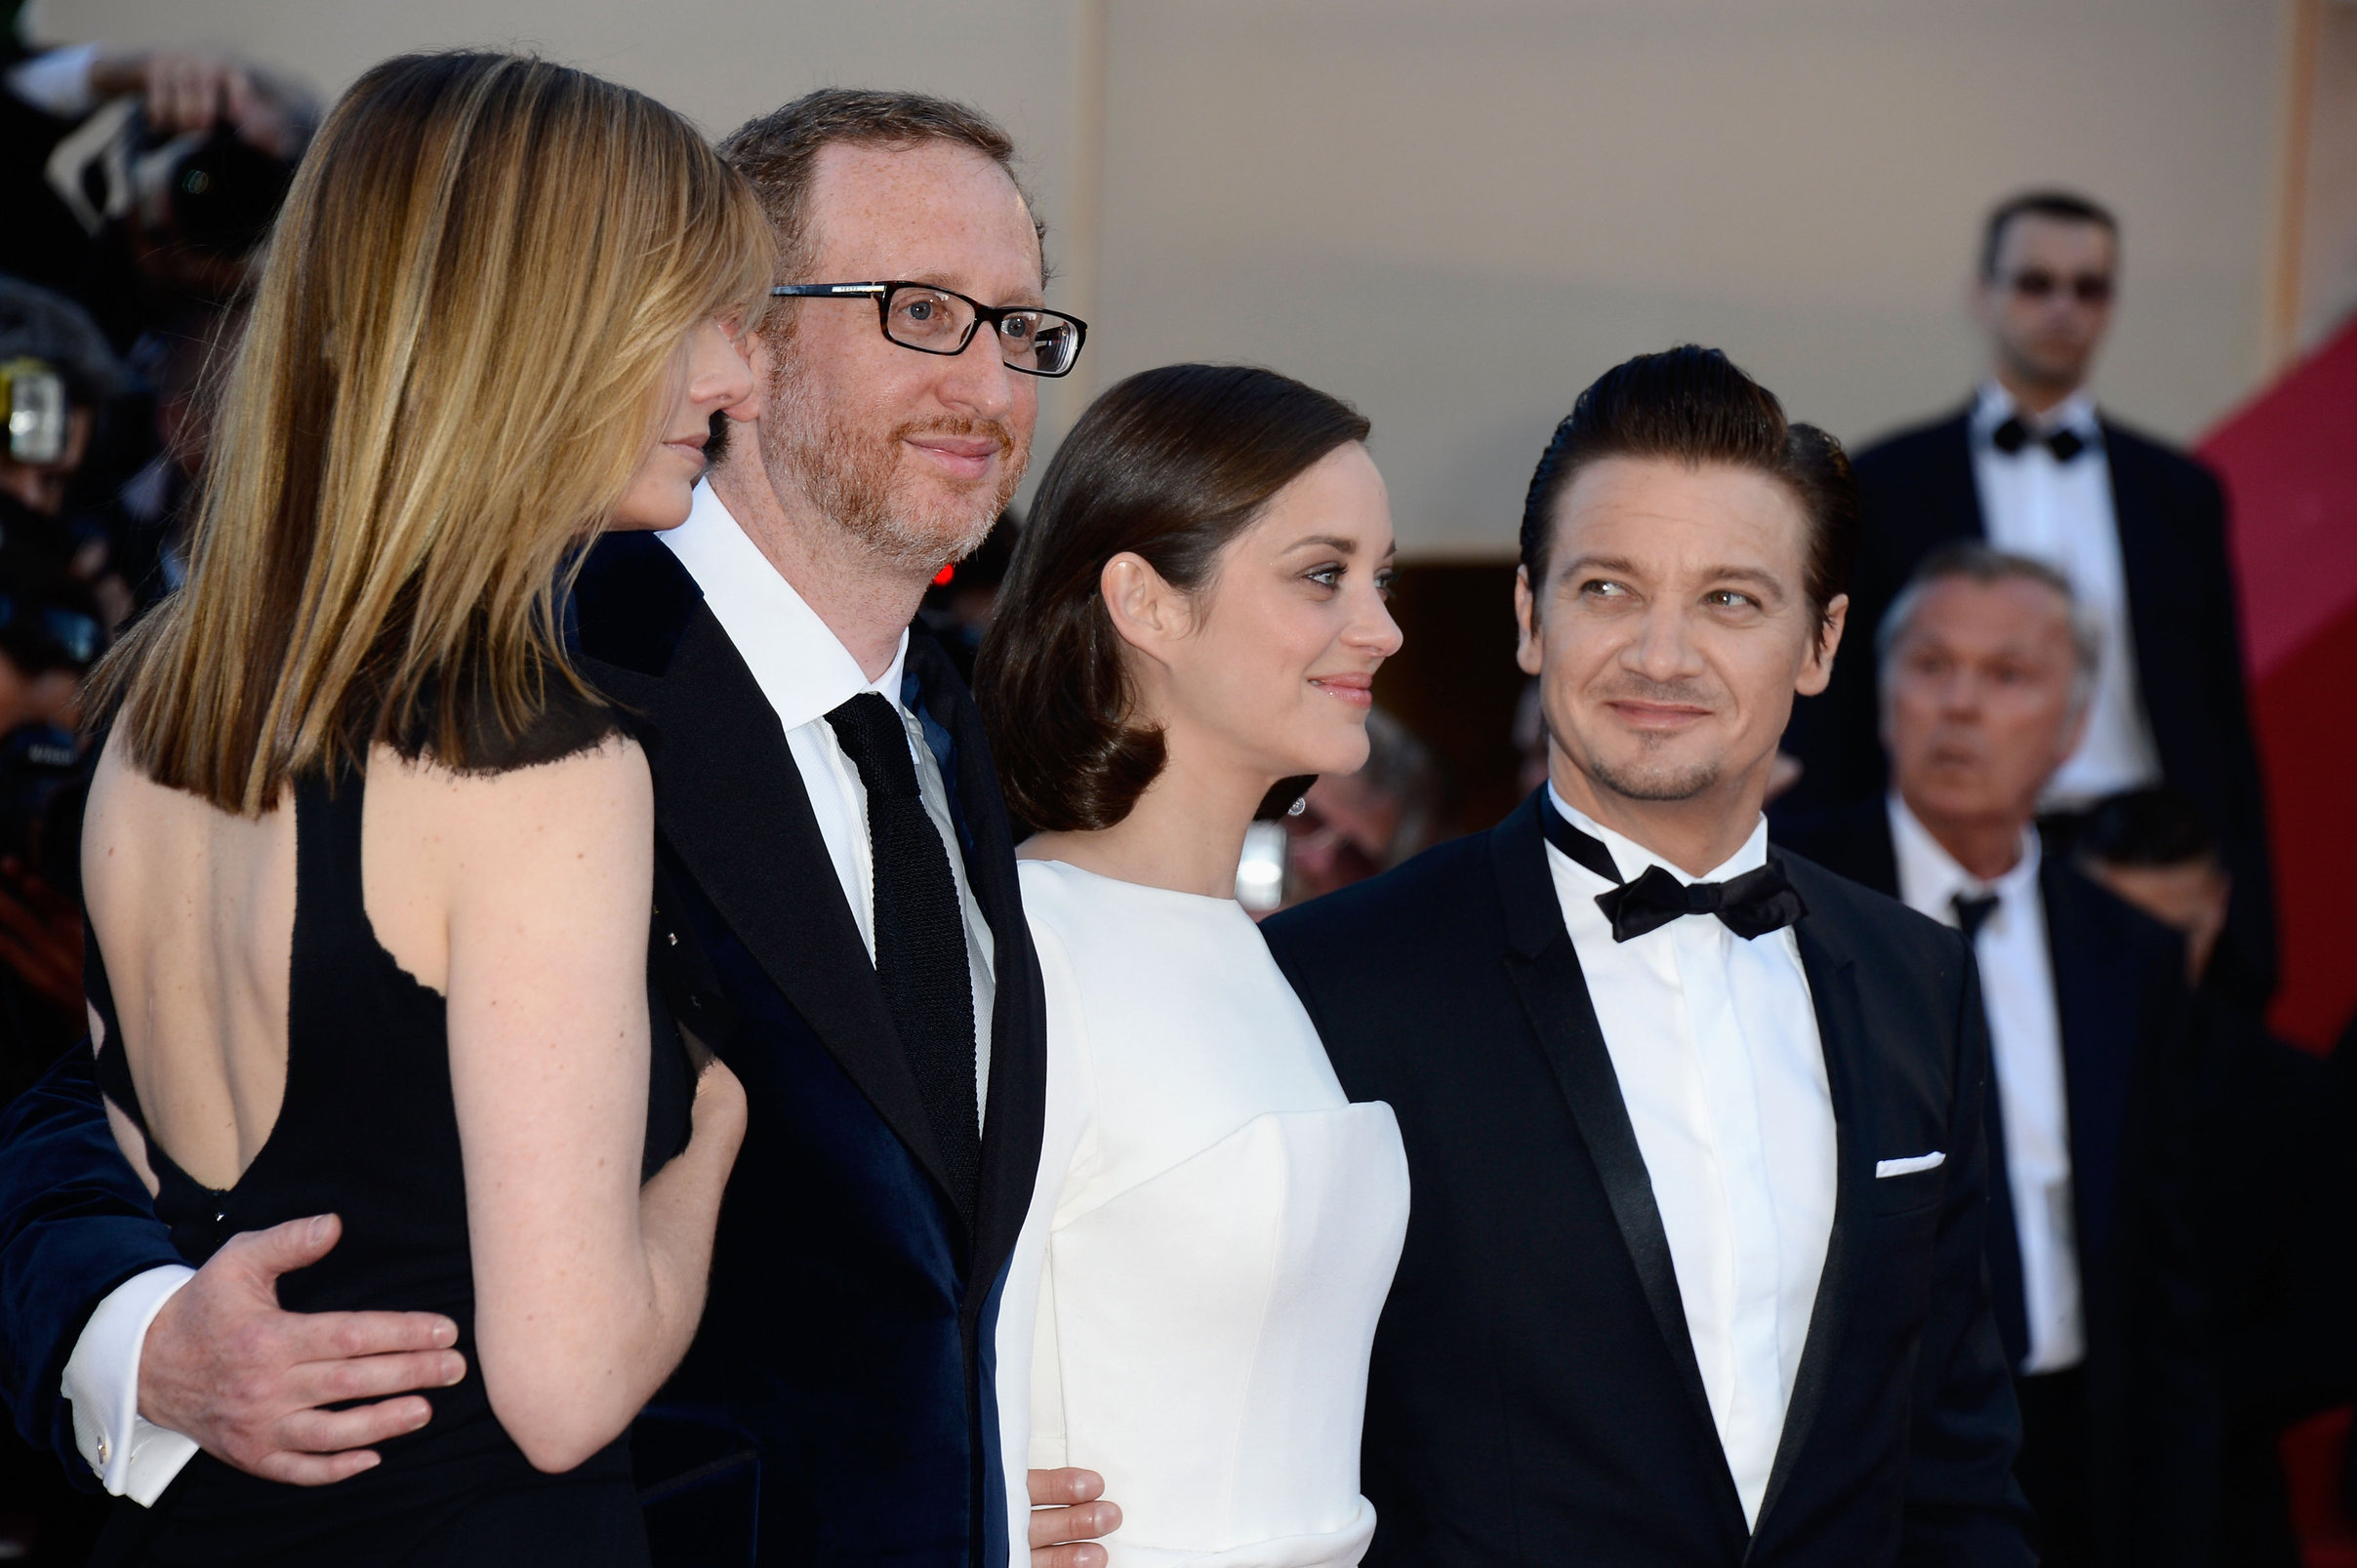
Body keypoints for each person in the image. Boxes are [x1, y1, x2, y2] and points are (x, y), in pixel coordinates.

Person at [0, 83, 1123, 1568]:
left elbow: (917, 1267)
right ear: (752, 324)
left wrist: (974, 1483)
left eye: (1021, 325)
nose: (988, 380)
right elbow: (70, 1109)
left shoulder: (956, 730)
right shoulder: (532, 684)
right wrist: (131, 1335)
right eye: (922, 310)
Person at [18, 51, 767, 1564]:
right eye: (689, 320)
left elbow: (138, 1161)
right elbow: (563, 1391)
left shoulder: (151, 709)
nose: (734, 376)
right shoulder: (536, 767)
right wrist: (708, 1155)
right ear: (526, 330)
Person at [1263, 345, 2030, 1565]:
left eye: (1730, 599)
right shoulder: (1334, 981)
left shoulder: (1916, 983)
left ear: (1822, 642)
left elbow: (1953, 1460)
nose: (1662, 656)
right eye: (1610, 588)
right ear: (1531, 615)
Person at [977, 363, 1410, 1566]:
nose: (1382, 626)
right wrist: (964, 1500)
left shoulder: (1250, 954)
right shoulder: (1027, 947)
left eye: (1382, 577)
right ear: (1148, 602)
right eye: (1325, 574)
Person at [1774, 543, 2215, 1567]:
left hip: (2078, 1440)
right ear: (1882, 696)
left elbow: (2167, 1272)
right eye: (1931, 666)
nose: (1960, 704)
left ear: (2070, 726)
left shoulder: (2128, 952)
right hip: (1853, 1460)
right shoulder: (1778, 895)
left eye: (2007, 674)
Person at [1774, 189, 2275, 1007]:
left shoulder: (2178, 493)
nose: (2061, 308)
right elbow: (1841, 694)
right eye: (2035, 282)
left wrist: (2248, 922)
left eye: (2087, 288)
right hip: (1942, 853)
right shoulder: (1885, 482)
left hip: (2134, 860)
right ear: (1982, 293)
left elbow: (2219, 719)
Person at [2075, 788, 2354, 1568]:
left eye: (2176, 934)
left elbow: (2328, 1335)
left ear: (2220, 907)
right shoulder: (1980, 1060)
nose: (2148, 965)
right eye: (2119, 931)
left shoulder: (2295, 1099)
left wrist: (2152, 1400)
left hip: (2220, 1515)